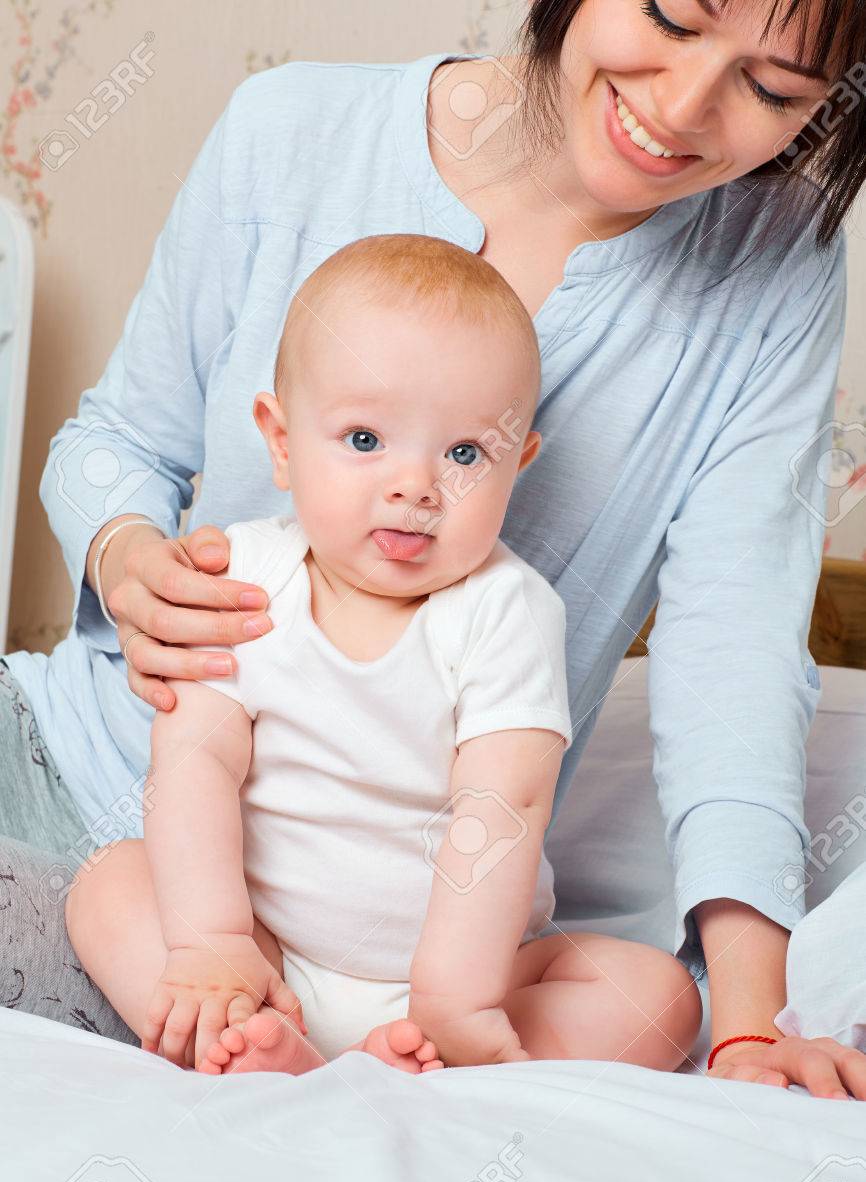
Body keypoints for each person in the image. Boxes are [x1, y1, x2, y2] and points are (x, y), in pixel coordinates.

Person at [3, 0, 866, 1097]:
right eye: (669, 16)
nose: (683, 105)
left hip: (428, 942)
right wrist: (128, 557)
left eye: (775, 90)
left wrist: (751, 1027)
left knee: (657, 1002)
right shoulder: (288, 128)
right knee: (103, 910)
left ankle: (327, 1059)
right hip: (74, 770)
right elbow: (111, 441)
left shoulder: (772, 268)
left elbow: (733, 656)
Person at [64, 233, 701, 1077]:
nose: (414, 487)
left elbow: (502, 806)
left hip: (464, 979)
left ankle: (424, 1059)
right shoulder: (248, 578)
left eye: (465, 454)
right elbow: (193, 767)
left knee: (658, 998)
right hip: (267, 950)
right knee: (108, 886)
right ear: (282, 443)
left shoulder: (506, 614)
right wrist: (215, 942)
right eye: (365, 440)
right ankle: (257, 1036)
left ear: (519, 464)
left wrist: (457, 999)